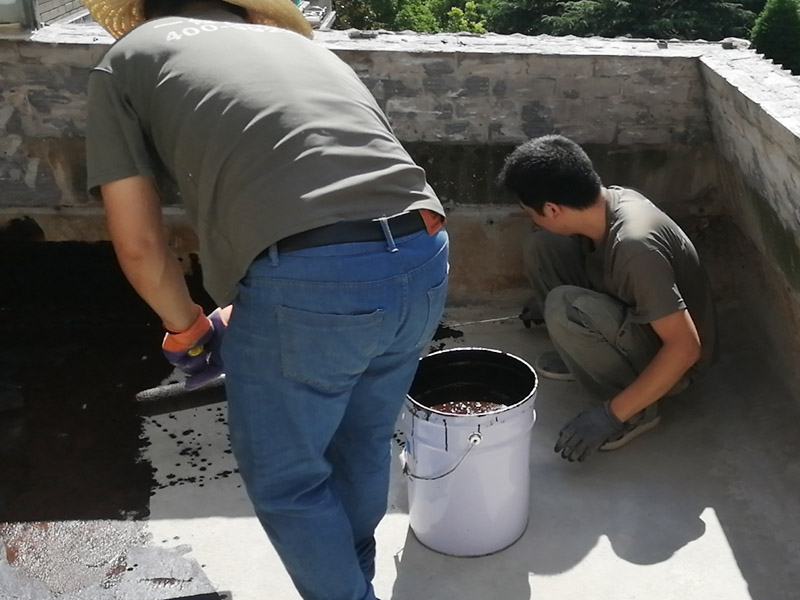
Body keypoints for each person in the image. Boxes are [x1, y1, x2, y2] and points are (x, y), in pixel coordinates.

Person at [81, 0, 449, 598]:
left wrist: (189, 329)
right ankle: (355, 579)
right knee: (361, 442)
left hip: (309, 281)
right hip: (423, 251)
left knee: (289, 484)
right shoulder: (300, 46)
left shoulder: (127, 59)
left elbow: (141, 245)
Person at [497, 134, 717, 463]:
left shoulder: (635, 247)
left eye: (533, 213)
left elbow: (686, 348)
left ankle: (636, 412)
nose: (533, 220)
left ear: (553, 209)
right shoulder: (607, 203)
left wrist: (609, 416)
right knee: (544, 247)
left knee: (564, 306)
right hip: (641, 319)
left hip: (675, 364)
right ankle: (584, 355)